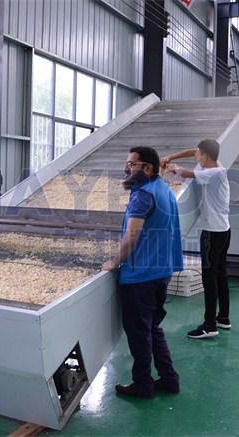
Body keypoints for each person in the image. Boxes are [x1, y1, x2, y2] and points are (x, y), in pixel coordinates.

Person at [102, 146, 183, 399]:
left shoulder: (142, 195)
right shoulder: (164, 190)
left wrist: (114, 262)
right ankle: (169, 379)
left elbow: (131, 237)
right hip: (161, 271)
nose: (126, 169)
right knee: (153, 329)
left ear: (148, 168)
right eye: (126, 164)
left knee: (139, 333)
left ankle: (143, 384)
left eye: (132, 164)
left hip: (141, 276)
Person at [160, 139, 231, 340]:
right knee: (221, 275)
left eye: (199, 154)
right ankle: (223, 317)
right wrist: (171, 156)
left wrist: (170, 166)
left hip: (212, 233)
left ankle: (210, 325)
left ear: (205, 156)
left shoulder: (212, 173)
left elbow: (183, 173)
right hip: (224, 230)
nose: (196, 156)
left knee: (209, 278)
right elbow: (193, 151)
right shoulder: (215, 165)